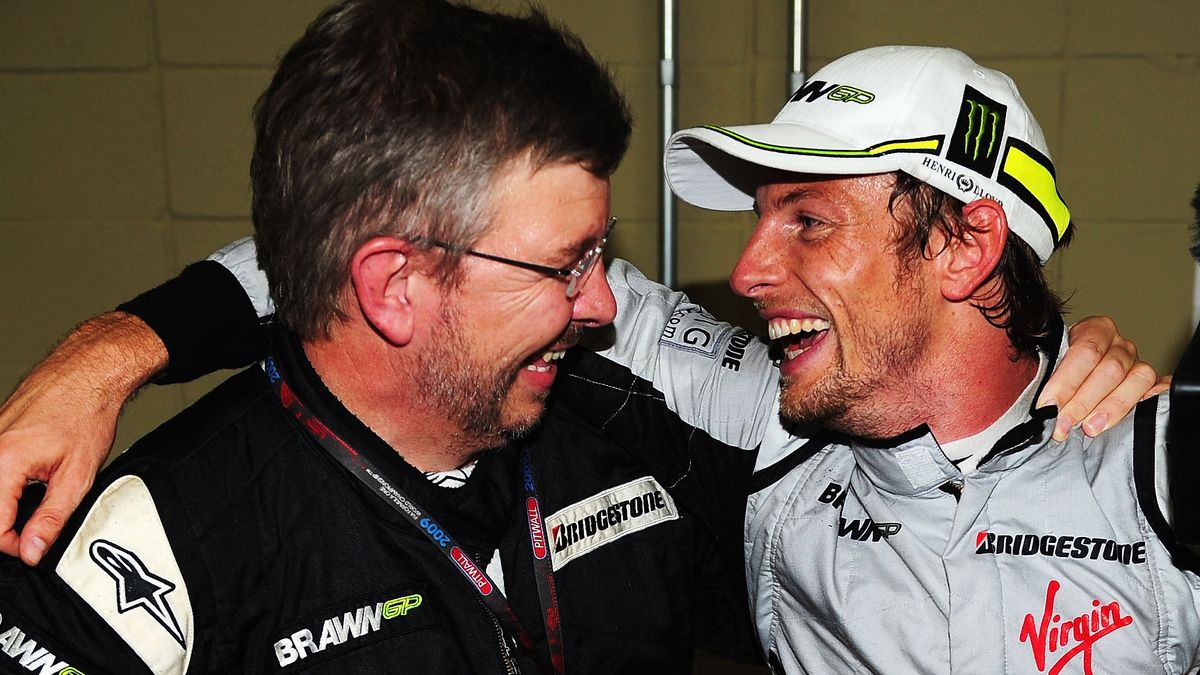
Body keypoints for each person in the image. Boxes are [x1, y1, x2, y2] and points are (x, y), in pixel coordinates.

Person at [0, 34, 1163, 675]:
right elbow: (351, 234)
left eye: (806, 220)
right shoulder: (760, 421)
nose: (747, 270)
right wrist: (116, 350)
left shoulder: (1160, 462)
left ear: (967, 244)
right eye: (759, 215)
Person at [0, 1, 762, 672]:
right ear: (395, 288)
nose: (602, 303)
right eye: (566, 265)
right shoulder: (159, 544)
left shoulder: (636, 428)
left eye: (601, 253)